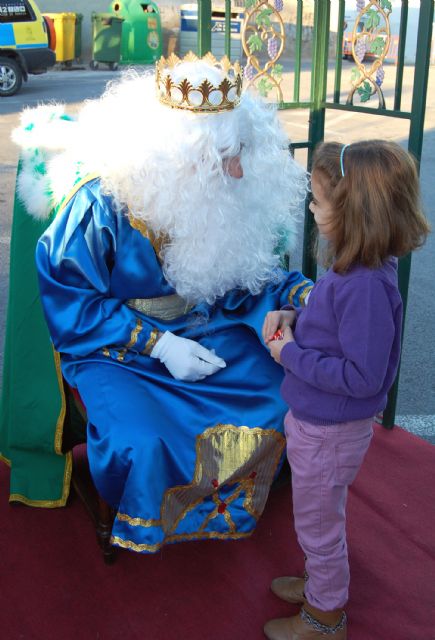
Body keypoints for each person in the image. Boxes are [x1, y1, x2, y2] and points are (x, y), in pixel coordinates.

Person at [6, 53, 314, 551]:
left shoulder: (222, 193)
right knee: (142, 440)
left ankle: (229, 498)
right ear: (176, 154)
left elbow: (251, 279)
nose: (237, 172)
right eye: (224, 157)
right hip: (118, 347)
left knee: (285, 389)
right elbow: (70, 301)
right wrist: (159, 345)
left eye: (240, 152)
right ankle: (161, 513)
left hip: (204, 329)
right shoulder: (101, 200)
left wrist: (311, 296)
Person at [261, 140, 430, 639]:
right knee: (316, 516)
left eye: (317, 202)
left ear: (353, 211)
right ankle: (320, 580)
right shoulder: (355, 268)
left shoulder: (364, 285)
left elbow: (363, 375)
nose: (311, 210)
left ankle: (324, 615)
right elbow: (336, 330)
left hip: (329, 429)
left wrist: (287, 352)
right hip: (318, 422)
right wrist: (297, 320)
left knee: (318, 524)